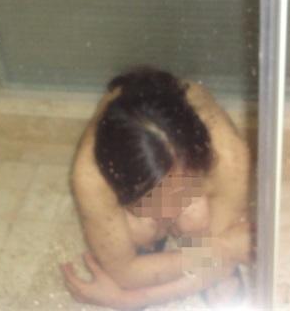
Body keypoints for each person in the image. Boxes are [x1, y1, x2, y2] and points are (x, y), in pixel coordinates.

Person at [60, 67, 252, 309]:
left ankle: (172, 232)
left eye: (182, 186)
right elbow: (125, 272)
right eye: (148, 199)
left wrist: (127, 298)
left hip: (195, 150)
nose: (169, 214)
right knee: (142, 229)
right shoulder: (90, 175)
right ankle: (152, 238)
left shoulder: (228, 156)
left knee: (194, 217)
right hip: (129, 160)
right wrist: (223, 248)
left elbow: (223, 261)